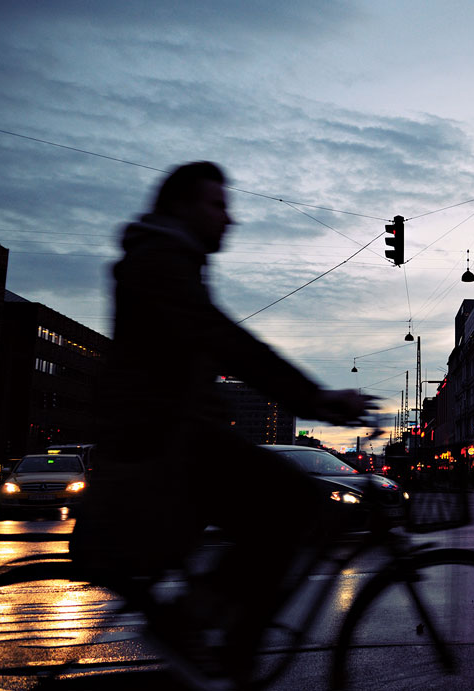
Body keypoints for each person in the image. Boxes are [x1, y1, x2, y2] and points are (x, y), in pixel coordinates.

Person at [69, 162, 375, 682]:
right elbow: (228, 342)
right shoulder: (162, 262)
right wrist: (318, 398)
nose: (229, 219)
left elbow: (206, 347)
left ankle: (215, 639)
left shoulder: (167, 259)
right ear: (182, 207)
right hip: (163, 440)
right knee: (296, 505)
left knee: (272, 513)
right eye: (217, 205)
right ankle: (206, 636)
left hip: (171, 435)